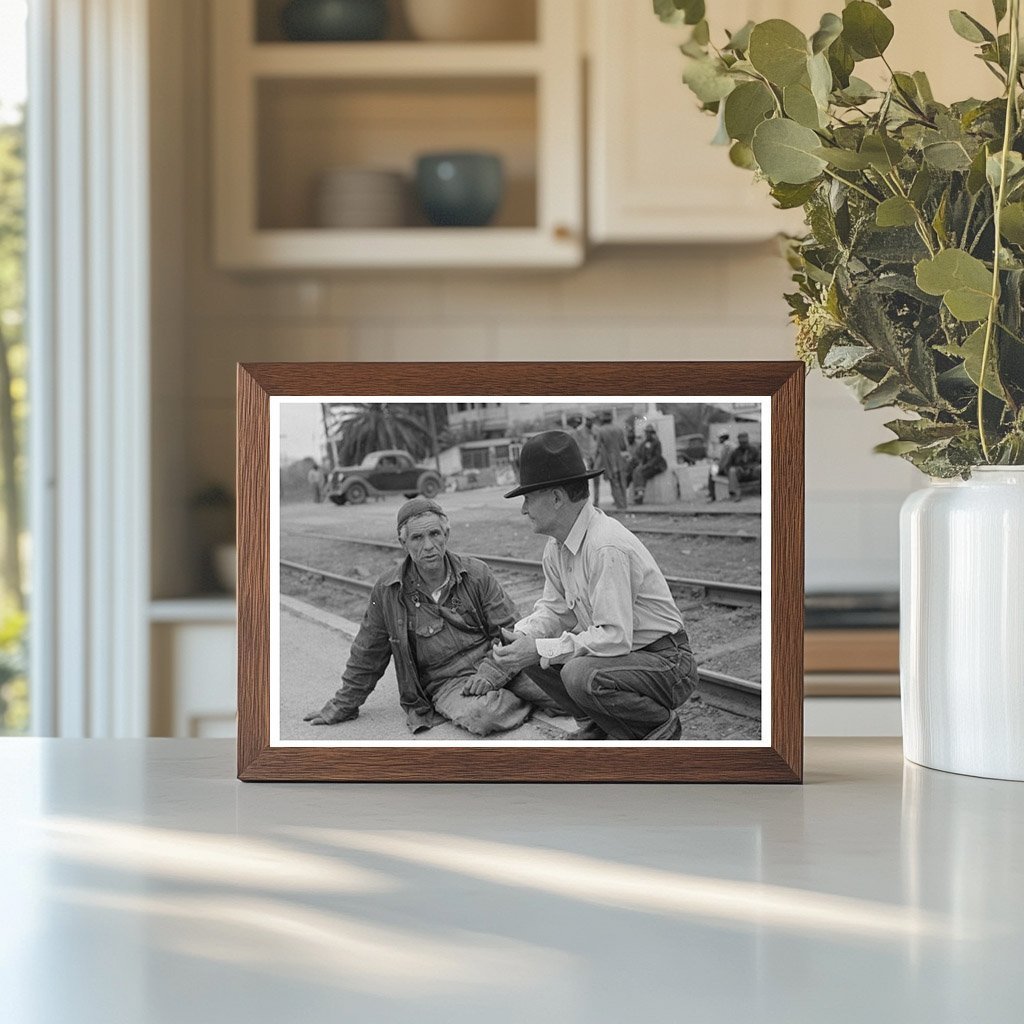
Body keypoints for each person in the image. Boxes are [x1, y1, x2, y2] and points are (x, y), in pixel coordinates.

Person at [493, 431, 699, 741]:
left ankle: (658, 727)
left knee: (574, 672)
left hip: (668, 663)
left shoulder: (605, 545)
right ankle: (596, 724)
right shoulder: (557, 545)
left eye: (528, 498)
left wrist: (537, 648)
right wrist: (523, 638)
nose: (523, 509)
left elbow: (614, 638)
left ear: (556, 497)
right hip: (628, 659)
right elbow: (554, 610)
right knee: (533, 653)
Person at [303, 497, 559, 736]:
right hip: (447, 682)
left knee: (565, 693)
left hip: (496, 663)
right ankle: (516, 698)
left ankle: (517, 694)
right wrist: (344, 704)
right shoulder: (387, 591)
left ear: (446, 534)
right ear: (403, 543)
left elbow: (509, 631)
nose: (428, 546)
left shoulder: (476, 573)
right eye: (417, 537)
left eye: (434, 534)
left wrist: (491, 675)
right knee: (483, 715)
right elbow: (367, 653)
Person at [593, 410, 630, 511]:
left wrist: (595, 459)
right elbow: (624, 445)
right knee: (622, 481)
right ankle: (625, 504)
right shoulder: (619, 429)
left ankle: (620, 506)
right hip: (620, 458)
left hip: (609, 459)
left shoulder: (601, 430)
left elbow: (597, 448)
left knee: (614, 482)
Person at [630, 423, 667, 505]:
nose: (648, 434)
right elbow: (639, 454)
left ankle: (640, 495)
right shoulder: (644, 443)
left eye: (650, 432)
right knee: (636, 471)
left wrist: (647, 465)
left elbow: (657, 457)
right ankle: (638, 493)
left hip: (656, 466)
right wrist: (640, 463)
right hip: (646, 465)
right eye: (647, 432)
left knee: (641, 473)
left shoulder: (657, 443)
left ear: (653, 433)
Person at [720, 431, 761, 501]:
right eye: (741, 442)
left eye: (745, 442)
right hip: (740, 474)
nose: (743, 444)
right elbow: (728, 466)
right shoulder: (735, 452)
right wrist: (737, 468)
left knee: (761, 468)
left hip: (752, 472)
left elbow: (759, 461)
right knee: (732, 471)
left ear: (748, 440)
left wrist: (750, 468)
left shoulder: (754, 450)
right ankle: (735, 494)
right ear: (739, 442)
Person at [707, 432, 731, 503]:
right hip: (727, 466)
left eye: (720, 438)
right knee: (712, 470)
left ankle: (712, 495)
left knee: (712, 474)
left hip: (725, 468)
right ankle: (712, 494)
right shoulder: (728, 444)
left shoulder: (726, 446)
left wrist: (719, 467)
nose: (719, 440)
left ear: (723, 438)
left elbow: (723, 459)